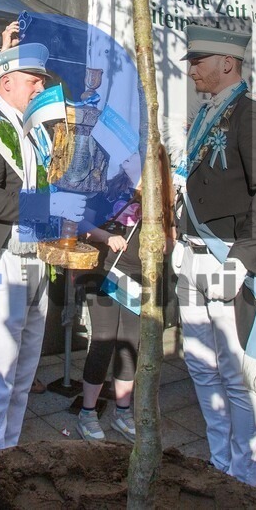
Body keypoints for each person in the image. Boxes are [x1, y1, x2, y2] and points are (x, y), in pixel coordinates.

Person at [0, 43, 87, 459]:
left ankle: (6, 461)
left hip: (37, 263)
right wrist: (49, 205)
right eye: (34, 81)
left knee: (21, 376)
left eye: (42, 81)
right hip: (3, 267)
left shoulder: (34, 136)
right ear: (8, 81)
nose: (40, 88)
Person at [172, 24, 256, 486]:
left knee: (238, 375)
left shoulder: (253, 114)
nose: (193, 69)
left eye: (199, 61)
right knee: (200, 364)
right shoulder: (204, 115)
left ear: (228, 63)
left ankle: (243, 478)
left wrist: (241, 261)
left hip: (227, 260)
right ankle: (220, 461)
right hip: (192, 257)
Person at [76, 148, 173, 443]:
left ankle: (122, 411)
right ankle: (87, 412)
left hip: (135, 277)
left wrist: (165, 241)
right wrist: (107, 236)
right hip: (104, 270)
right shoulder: (109, 187)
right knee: (103, 340)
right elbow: (82, 223)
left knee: (129, 343)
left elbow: (170, 239)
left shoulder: (162, 200)